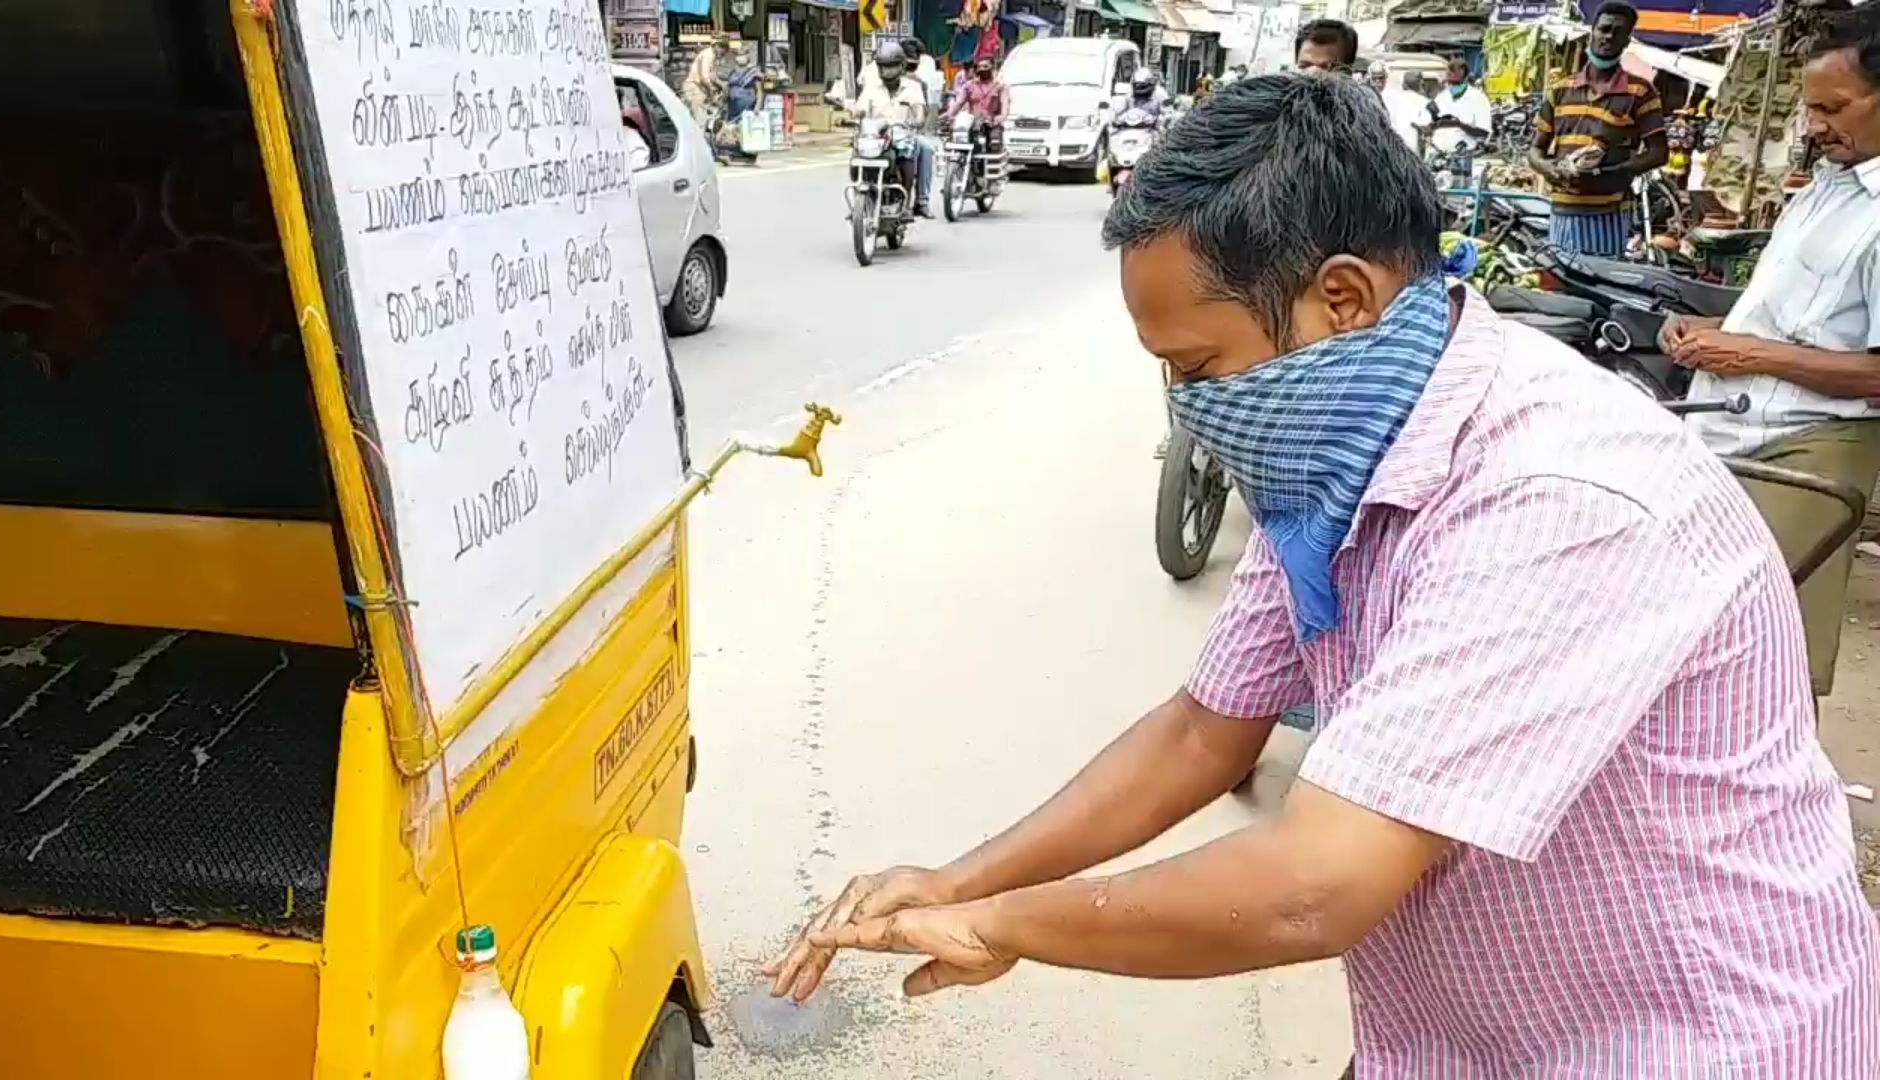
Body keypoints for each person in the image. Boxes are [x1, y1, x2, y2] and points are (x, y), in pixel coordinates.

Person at [765, 73, 1880, 1078]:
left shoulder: (1559, 494)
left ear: (1341, 300)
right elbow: (1208, 728)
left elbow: (1315, 887)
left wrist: (1011, 926)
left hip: (1685, 1042)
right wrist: (963, 879)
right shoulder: (1342, 461)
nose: (1190, 409)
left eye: (1197, 369)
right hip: (1467, 1037)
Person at [1668, 1, 1880, 704]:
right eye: (1811, 107)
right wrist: (1706, 333)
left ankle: (1781, 809)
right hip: (1737, 427)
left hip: (1814, 446)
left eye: (1835, 108)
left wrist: (1752, 355)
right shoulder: (1827, 188)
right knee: (1705, 641)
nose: (1816, 126)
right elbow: (1784, 311)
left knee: (1770, 659)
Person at [1528, 2, 1668, 256]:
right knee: (1559, 283)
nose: (1608, 37)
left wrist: (1617, 172)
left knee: (1601, 286)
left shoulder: (1640, 92)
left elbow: (1659, 153)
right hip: (1562, 209)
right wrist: (1549, 168)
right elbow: (1535, 150)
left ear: (1627, 41)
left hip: (1608, 212)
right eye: (1604, 29)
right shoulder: (1560, 89)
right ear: (1591, 31)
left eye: (1618, 32)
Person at [851, 41, 935, 217]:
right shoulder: (872, 88)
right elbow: (860, 108)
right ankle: (859, 197)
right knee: (856, 153)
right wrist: (852, 113)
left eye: (892, 67)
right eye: (883, 67)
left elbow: (919, 108)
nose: (887, 72)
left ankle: (912, 201)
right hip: (876, 137)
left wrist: (918, 118)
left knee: (919, 148)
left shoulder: (913, 87)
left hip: (903, 135)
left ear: (902, 66)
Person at [1423, 55, 1491, 162]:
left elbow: (1483, 132)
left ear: (1464, 75)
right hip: (1437, 156)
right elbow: (1431, 123)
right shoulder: (1441, 97)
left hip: (1464, 157)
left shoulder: (1478, 98)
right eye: (1448, 70)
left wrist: (1458, 124)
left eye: (1453, 70)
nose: (1449, 73)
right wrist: (1430, 127)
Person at [944, 55, 1008, 156]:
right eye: (979, 67)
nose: (982, 69)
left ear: (993, 67)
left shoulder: (1000, 86)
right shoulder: (969, 85)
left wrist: (995, 120)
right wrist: (948, 116)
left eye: (985, 66)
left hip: (992, 124)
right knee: (955, 140)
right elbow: (959, 103)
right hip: (973, 124)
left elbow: (1004, 111)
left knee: (995, 143)